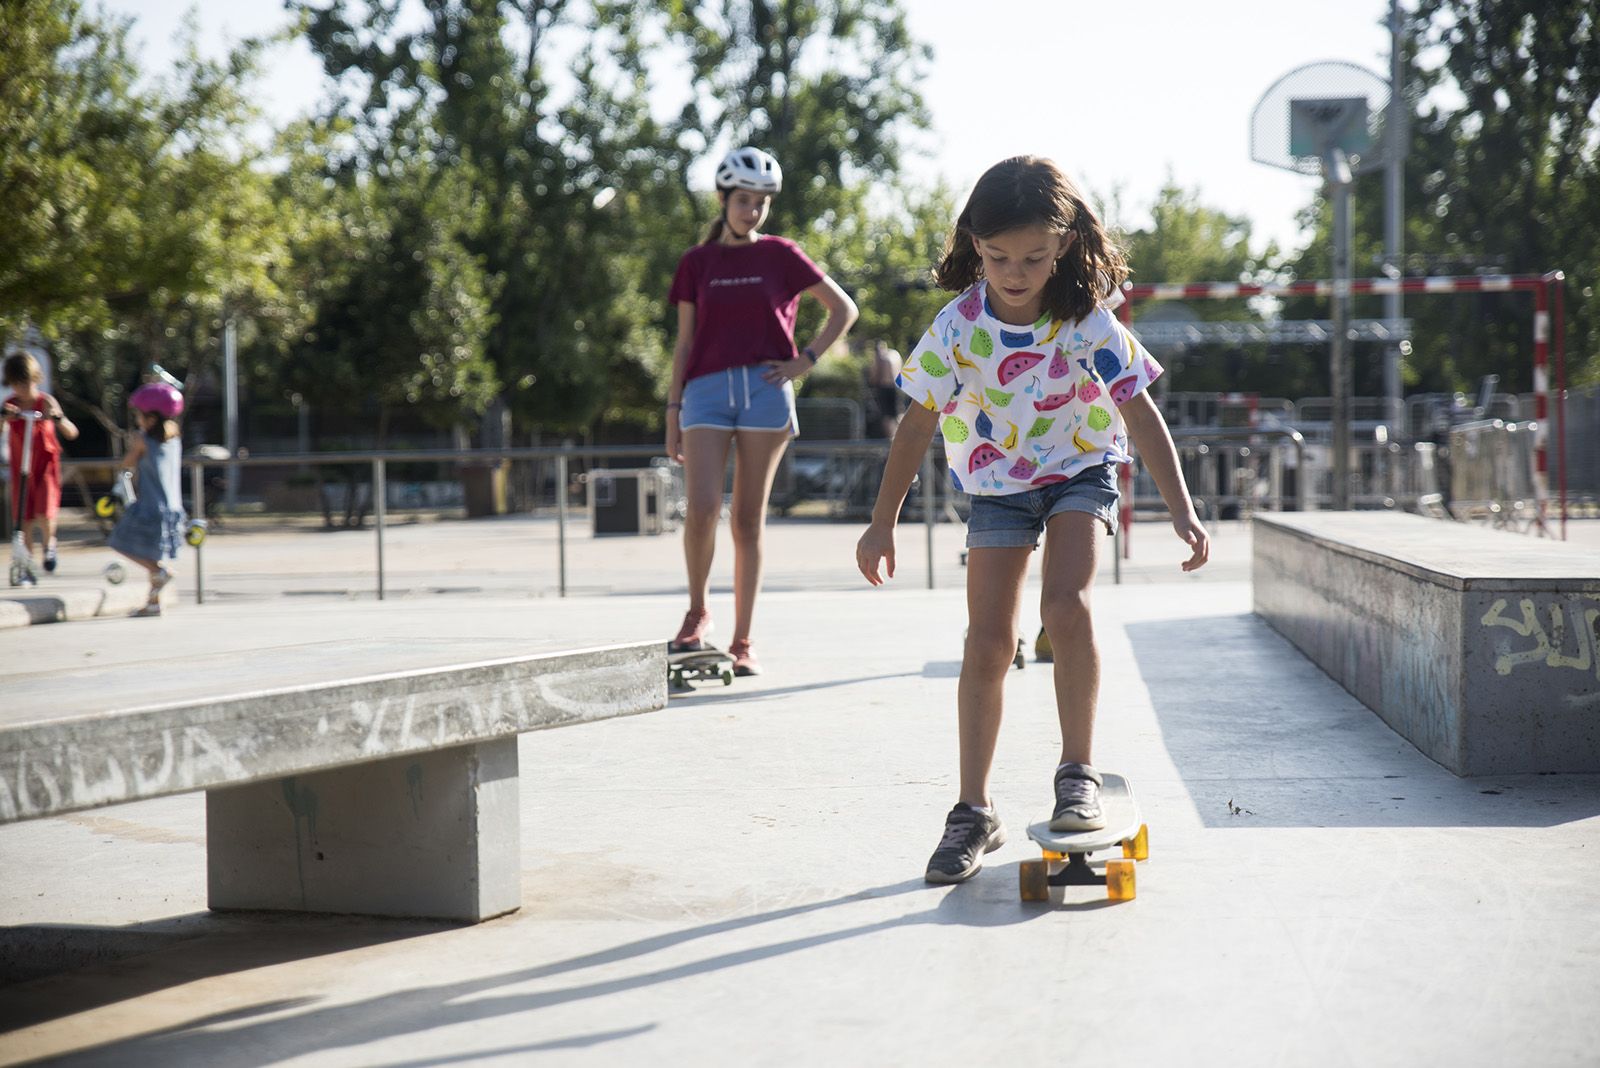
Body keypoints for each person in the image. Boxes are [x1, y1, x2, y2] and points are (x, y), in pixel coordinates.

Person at [855, 156, 1209, 884]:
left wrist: (1183, 508)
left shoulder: (1084, 319)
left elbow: (1139, 412)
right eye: (997, 258)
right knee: (988, 640)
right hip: (997, 486)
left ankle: (1076, 771)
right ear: (974, 246)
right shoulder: (957, 326)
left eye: (1035, 258)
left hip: (1080, 469)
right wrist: (881, 521)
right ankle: (971, 811)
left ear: (1065, 246)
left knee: (1064, 604)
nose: (1015, 273)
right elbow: (916, 424)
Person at [665, 146, 858, 675]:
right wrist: (672, 408)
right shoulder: (696, 263)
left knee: (748, 521)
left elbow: (844, 309)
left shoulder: (780, 255)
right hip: (703, 392)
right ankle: (697, 612)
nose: (752, 211)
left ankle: (743, 641)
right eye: (743, 200)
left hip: (765, 390)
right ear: (724, 199)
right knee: (702, 508)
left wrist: (806, 361)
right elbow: (683, 345)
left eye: (761, 203)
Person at [107, 381, 187, 617]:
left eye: (139, 415)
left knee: (119, 541)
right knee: (152, 550)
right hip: (171, 506)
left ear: (150, 417)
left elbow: (126, 463)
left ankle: (159, 571)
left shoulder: (143, 440)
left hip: (150, 505)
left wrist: (134, 444)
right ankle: (153, 602)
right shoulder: (174, 438)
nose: (137, 420)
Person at [3, 352, 79, 577]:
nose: (21, 388)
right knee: (23, 516)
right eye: (16, 384)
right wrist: (4, 418)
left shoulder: (44, 401)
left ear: (35, 379)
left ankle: (49, 546)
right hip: (20, 466)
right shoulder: (10, 404)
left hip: (45, 465)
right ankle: (27, 562)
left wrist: (57, 418)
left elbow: (71, 432)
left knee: (45, 511)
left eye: (25, 382)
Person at [865, 339, 904, 438]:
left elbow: (874, 376)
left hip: (884, 388)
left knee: (886, 415)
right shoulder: (895, 355)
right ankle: (902, 435)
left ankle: (891, 439)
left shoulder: (880, 358)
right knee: (898, 412)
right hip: (896, 387)